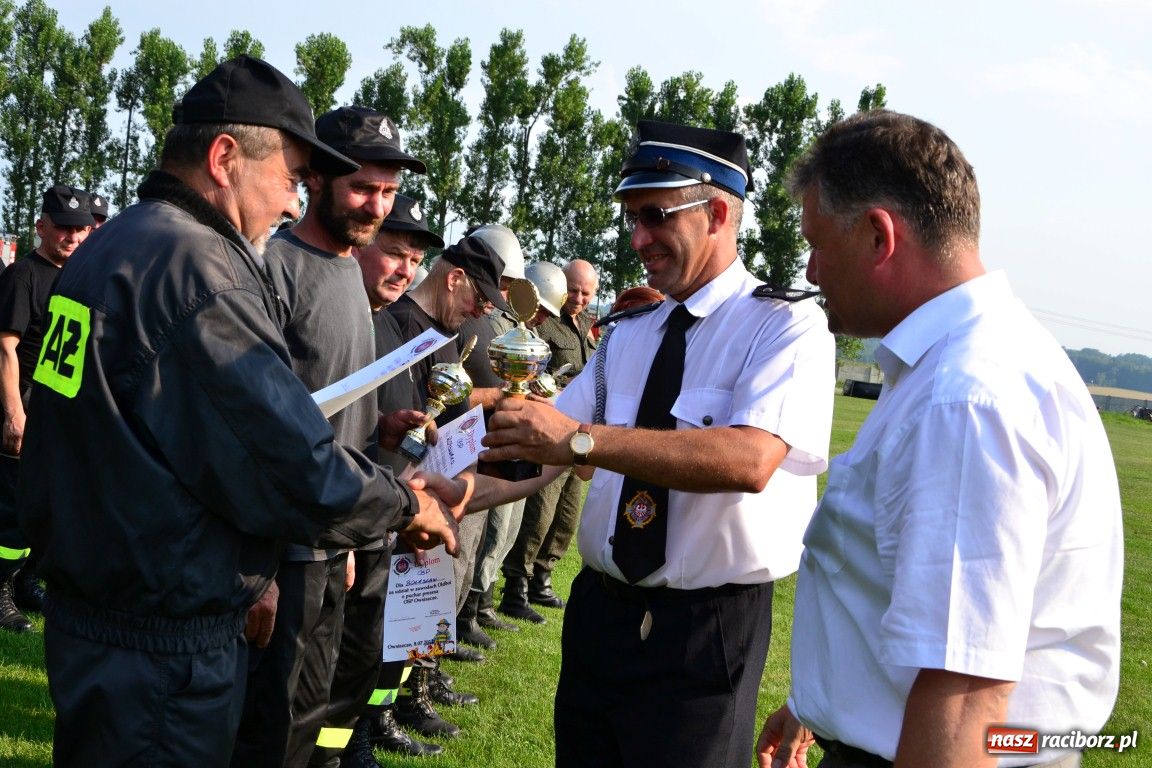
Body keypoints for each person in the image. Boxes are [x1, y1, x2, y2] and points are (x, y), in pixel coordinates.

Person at [17, 55, 462, 768]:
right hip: (161, 636)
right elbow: (291, 462)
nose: (292, 200)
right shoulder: (199, 270)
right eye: (289, 175)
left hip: (96, 609)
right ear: (226, 157)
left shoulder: (116, 244)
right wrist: (402, 504)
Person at [757, 110, 1123, 768]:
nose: (811, 271)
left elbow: (965, 692)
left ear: (876, 236)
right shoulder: (973, 363)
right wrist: (830, 704)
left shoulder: (965, 397)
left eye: (817, 242)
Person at [480, 119, 835, 768]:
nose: (638, 239)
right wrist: (448, 488)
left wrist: (582, 442)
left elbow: (750, 460)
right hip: (600, 617)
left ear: (719, 212)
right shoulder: (630, 331)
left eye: (654, 215)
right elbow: (545, 441)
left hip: (704, 632)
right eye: (630, 218)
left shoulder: (786, 327)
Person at [228, 105, 428, 768]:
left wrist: (382, 430)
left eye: (390, 192)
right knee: (266, 734)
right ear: (317, 177)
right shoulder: (272, 268)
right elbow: (250, 430)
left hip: (327, 549)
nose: (377, 204)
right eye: (363, 187)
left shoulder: (351, 272)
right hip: (276, 560)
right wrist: (262, 573)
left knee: (311, 724)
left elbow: (329, 414)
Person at [338, 195, 456, 763]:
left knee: (369, 646)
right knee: (331, 659)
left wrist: (391, 426)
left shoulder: (388, 322)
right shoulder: (337, 314)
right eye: (395, 253)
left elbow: (361, 422)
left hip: (385, 507)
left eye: (415, 259)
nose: (406, 269)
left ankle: (355, 741)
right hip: (342, 516)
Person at [0, 184, 94, 633]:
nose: (72, 237)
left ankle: (25, 584)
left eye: (79, 229)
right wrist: (14, 413)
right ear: (41, 227)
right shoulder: (23, 276)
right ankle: (1, 591)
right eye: (63, 228)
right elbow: (6, 347)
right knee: (10, 508)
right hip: (24, 406)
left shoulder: (77, 278)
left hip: (58, 413)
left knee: (45, 505)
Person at [500, 259, 598, 620]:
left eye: (587, 293)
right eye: (574, 290)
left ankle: (543, 578)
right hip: (550, 429)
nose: (579, 298)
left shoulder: (588, 327)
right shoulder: (544, 321)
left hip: (580, 431)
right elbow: (529, 370)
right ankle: (517, 587)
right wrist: (559, 389)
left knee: (567, 514)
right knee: (540, 511)